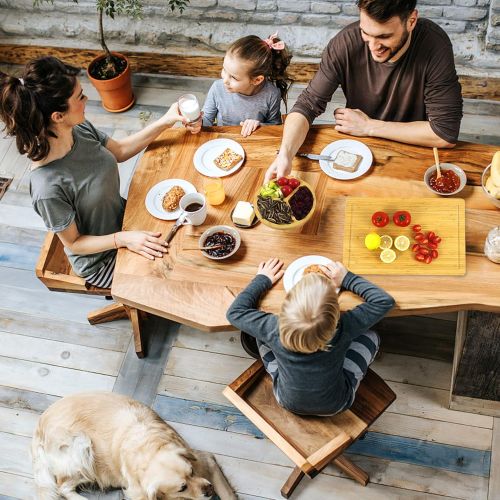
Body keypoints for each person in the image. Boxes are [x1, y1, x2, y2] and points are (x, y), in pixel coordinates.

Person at [0, 56, 201, 289]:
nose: (87, 99)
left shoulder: (78, 128)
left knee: (193, 233)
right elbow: (74, 243)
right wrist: (123, 240)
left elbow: (121, 151)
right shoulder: (47, 187)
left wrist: (166, 121)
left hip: (127, 221)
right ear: (58, 116)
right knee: (182, 276)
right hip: (103, 260)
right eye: (80, 97)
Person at [265, 0, 463, 182]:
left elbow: (444, 133)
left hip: (413, 149)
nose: (373, 47)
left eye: (384, 36)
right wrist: (286, 153)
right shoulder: (344, 43)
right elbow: (307, 105)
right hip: (357, 151)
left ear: (411, 21)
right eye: (366, 33)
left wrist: (369, 126)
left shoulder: (434, 44)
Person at [227, 258, 395, 415]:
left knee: (259, 337)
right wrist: (347, 279)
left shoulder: (272, 328)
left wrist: (262, 279)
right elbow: (384, 301)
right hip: (337, 404)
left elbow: (234, 313)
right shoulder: (345, 327)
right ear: (336, 313)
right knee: (371, 335)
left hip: (286, 401)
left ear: (286, 305)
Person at [202, 33, 292, 137]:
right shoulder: (217, 88)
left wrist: (259, 125)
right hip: (222, 142)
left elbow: (275, 126)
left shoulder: (271, 94)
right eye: (224, 70)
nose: (225, 80)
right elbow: (207, 120)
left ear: (257, 80)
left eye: (233, 77)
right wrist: (196, 122)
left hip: (252, 143)